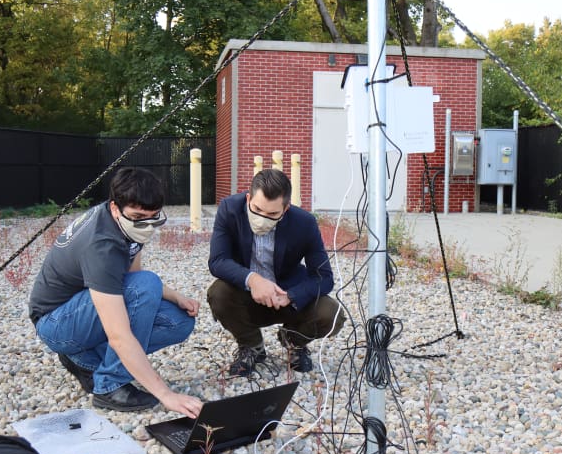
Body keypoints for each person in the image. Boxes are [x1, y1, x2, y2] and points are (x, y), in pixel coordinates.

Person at [29, 168, 203, 418]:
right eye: (139, 217)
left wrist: (177, 297)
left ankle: (85, 360)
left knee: (179, 321)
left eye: (154, 217)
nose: (147, 225)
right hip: (56, 323)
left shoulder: (127, 222)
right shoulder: (101, 247)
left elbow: (132, 279)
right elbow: (120, 333)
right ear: (114, 208)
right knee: (146, 285)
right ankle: (109, 385)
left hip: (83, 310)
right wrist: (165, 395)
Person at [207, 169, 345, 376]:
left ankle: (293, 341)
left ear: (286, 208)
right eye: (257, 209)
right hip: (246, 297)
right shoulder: (230, 209)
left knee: (332, 314)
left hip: (287, 298)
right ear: (248, 199)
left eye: (272, 214)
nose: (262, 218)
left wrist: (291, 296)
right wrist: (252, 279)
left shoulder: (304, 223)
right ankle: (252, 346)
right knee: (218, 293)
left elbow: (324, 277)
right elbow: (218, 261)